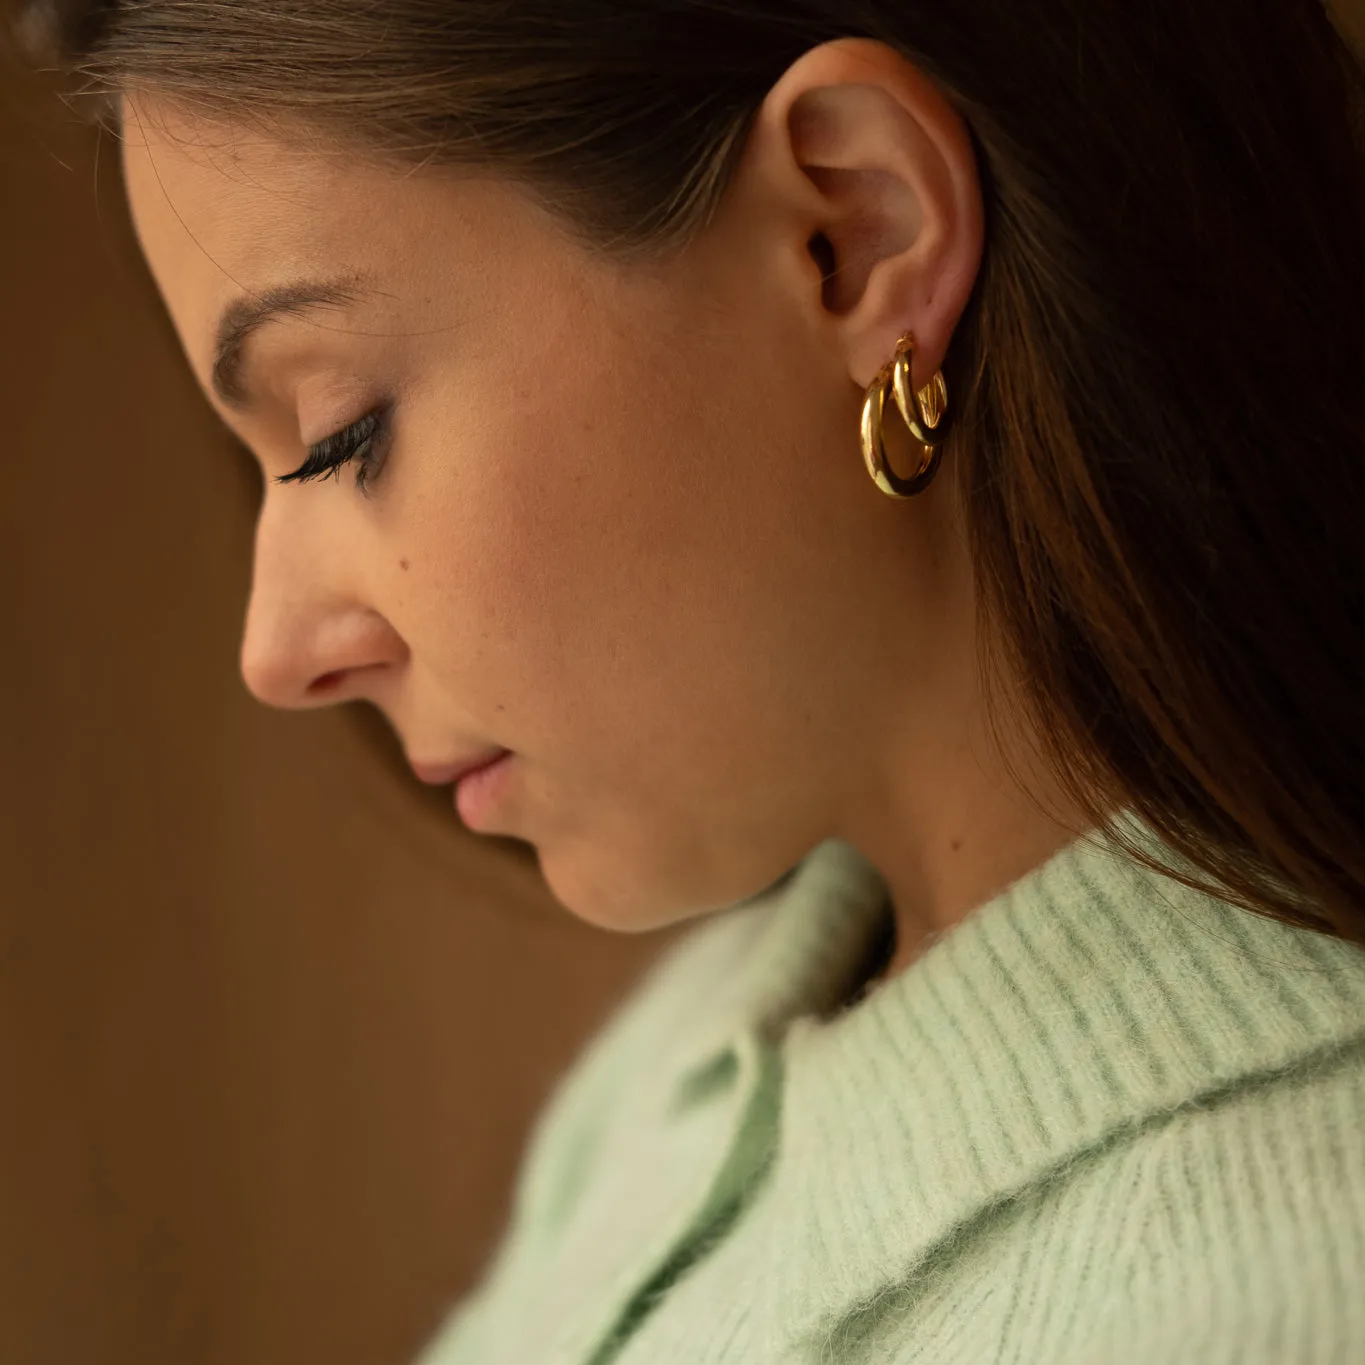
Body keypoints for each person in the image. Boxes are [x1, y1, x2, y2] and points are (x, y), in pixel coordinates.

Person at [14, 0, 1365, 1360]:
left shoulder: (1266, 1300)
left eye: (335, 433)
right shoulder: (691, 1066)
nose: (276, 647)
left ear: (855, 235)